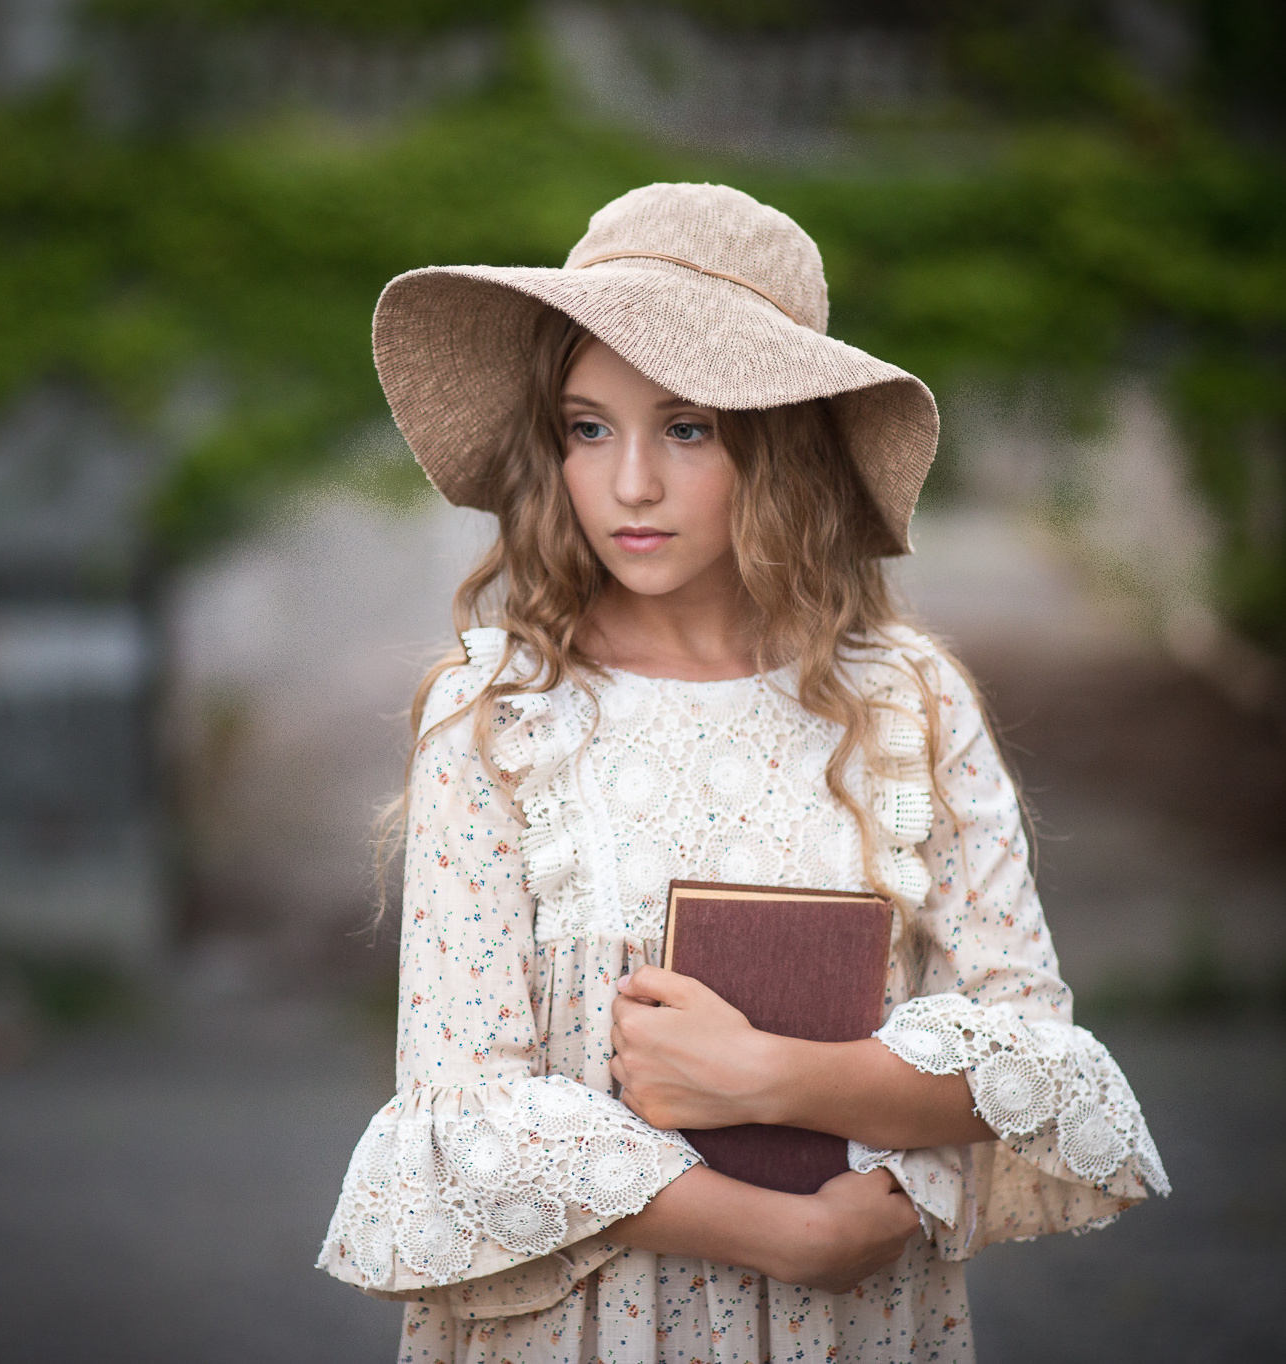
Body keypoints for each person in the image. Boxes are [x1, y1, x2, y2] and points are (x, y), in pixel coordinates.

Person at [316, 183, 1169, 1364]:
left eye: (685, 426)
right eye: (585, 426)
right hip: (578, 1325)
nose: (628, 486)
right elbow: (464, 1115)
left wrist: (768, 1074)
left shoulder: (906, 701)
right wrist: (783, 1234)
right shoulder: (500, 712)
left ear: (781, 437)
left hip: (857, 1322)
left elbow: (1031, 1062)